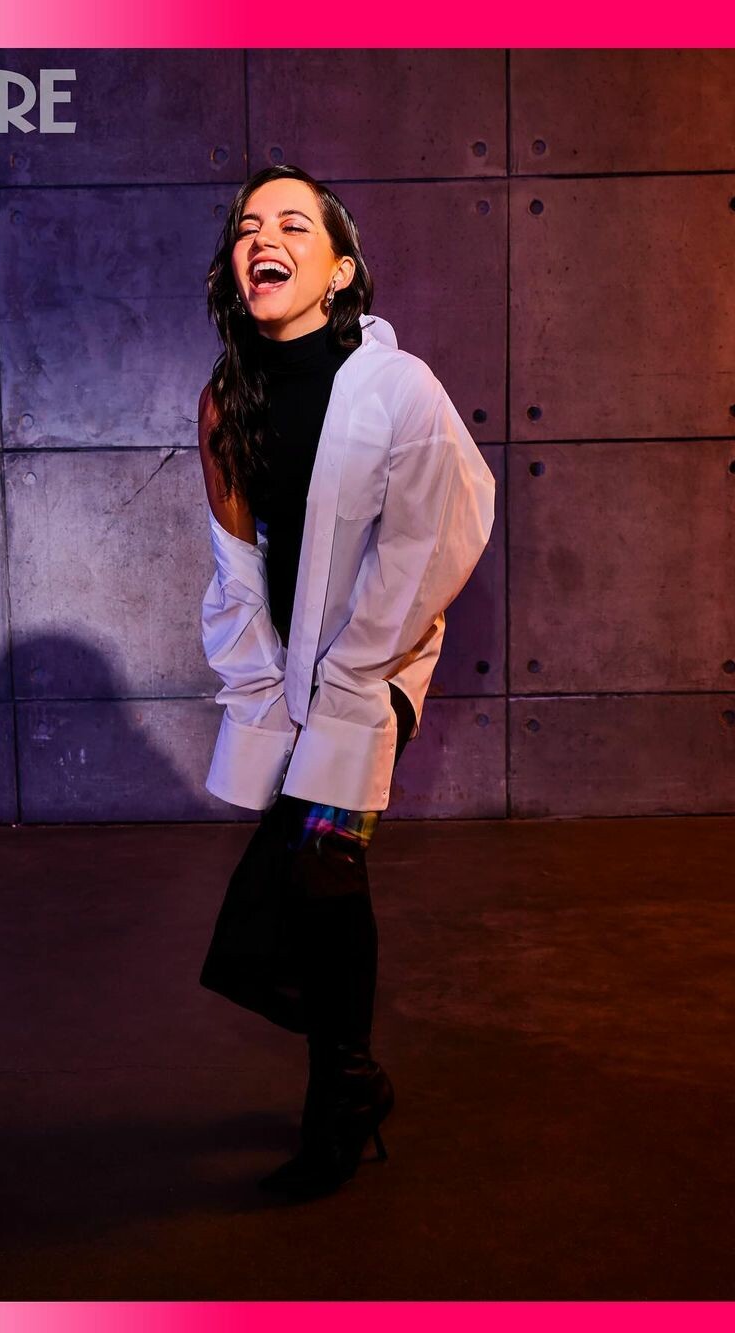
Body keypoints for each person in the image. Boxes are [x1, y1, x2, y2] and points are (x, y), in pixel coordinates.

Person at [196, 165, 496, 1199]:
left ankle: (338, 1099)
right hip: (290, 664)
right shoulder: (225, 400)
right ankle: (356, 1080)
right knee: (312, 886)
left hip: (382, 657)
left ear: (339, 269)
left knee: (323, 862)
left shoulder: (398, 387)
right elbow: (237, 569)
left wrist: (353, 672)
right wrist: (262, 688)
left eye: (292, 223)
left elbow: (437, 533)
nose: (263, 239)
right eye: (247, 227)